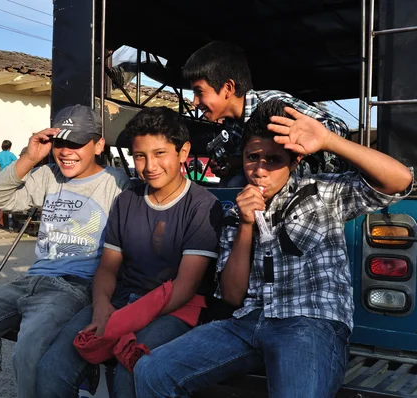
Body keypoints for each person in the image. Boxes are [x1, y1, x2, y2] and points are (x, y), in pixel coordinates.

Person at [134, 100, 413, 398]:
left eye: (273, 159)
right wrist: (245, 224)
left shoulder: (323, 192)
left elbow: (399, 180)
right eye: (252, 157)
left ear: (294, 163)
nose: (260, 170)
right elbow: (232, 295)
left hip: (310, 322)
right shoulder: (235, 211)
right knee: (151, 371)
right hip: (247, 323)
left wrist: (330, 141)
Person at [0, 104, 131, 398]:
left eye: (75, 143)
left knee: (28, 355)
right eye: (60, 143)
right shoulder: (48, 175)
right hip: (30, 280)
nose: (65, 151)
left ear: (99, 144)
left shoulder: (115, 183)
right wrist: (29, 158)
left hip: (74, 287)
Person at [36, 107, 222, 398]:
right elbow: (108, 268)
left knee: (130, 367)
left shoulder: (202, 205)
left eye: (160, 153)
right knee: (52, 368)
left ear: (183, 152)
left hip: (173, 309)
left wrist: (124, 322)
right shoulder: (127, 201)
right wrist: (100, 308)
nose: (149, 165)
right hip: (123, 300)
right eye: (140, 156)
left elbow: (185, 287)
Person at [183, 41, 349, 186]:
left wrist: (305, 139)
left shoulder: (273, 103)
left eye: (199, 92)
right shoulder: (232, 125)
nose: (195, 102)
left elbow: (338, 127)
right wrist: (233, 163)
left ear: (228, 88)